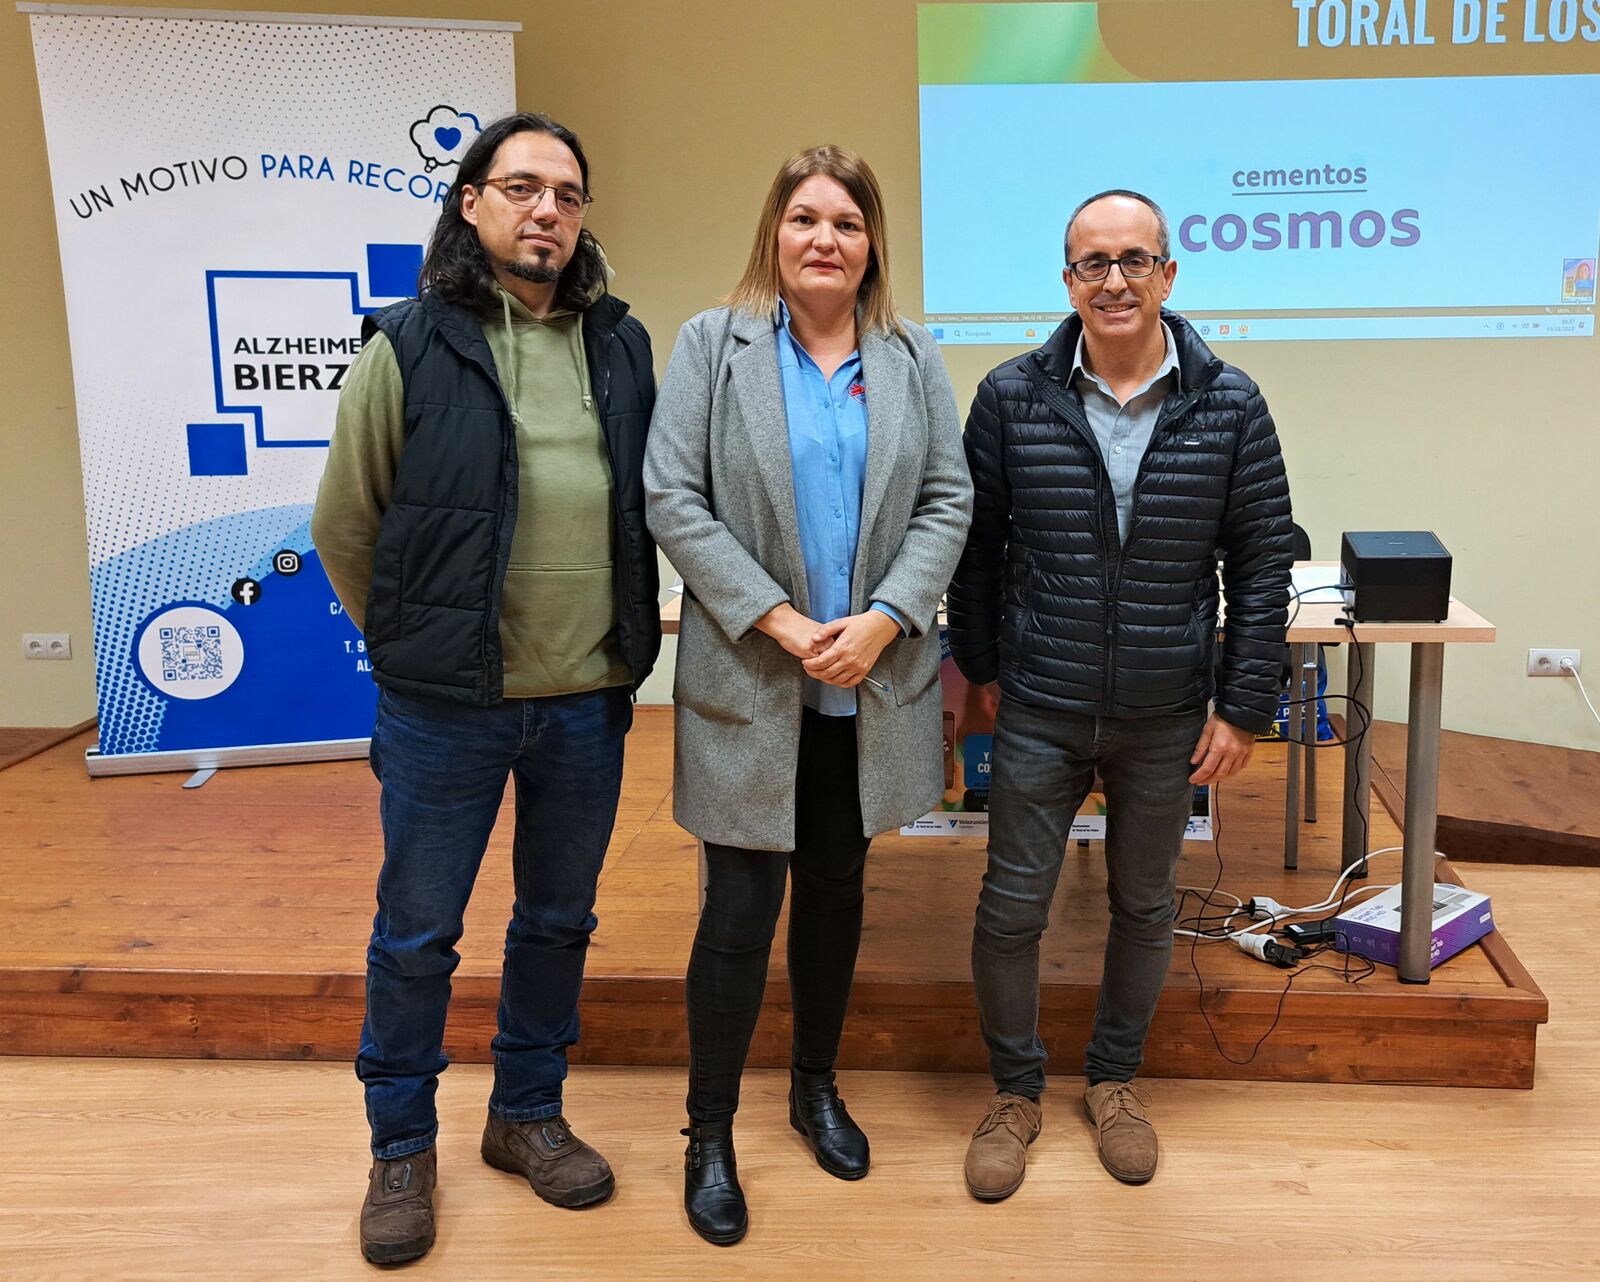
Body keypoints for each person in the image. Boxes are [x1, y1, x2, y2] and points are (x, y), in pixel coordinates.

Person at [311, 111, 660, 1266]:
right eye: (521, 187)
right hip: (443, 707)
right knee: (417, 935)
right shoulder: (408, 344)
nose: (546, 209)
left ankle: (525, 1116)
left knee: (556, 920)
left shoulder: (618, 345)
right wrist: (419, 642)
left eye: (566, 191)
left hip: (585, 700)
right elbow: (346, 524)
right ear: (472, 204)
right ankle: (400, 1145)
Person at [644, 145, 972, 1245]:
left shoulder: (911, 354)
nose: (822, 238)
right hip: (753, 679)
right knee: (737, 916)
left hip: (868, 685)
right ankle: (709, 1130)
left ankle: (814, 1086)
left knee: (836, 894)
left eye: (844, 220)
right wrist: (781, 622)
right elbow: (671, 499)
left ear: (872, 241)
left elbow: (947, 499)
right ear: (773, 235)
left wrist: (882, 619)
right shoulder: (711, 345)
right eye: (802, 218)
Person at [947, 189, 1293, 1200]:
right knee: (1011, 906)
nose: (1113, 281)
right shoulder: (1011, 396)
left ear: (1168, 274)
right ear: (1066, 280)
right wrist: (980, 671)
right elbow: (977, 551)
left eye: (1133, 260)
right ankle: (1013, 1092)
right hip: (1041, 704)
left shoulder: (1229, 402)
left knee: (1145, 907)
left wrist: (1240, 707)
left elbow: (1261, 562)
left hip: (1165, 711)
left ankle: (1111, 1083)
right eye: (1091, 263)